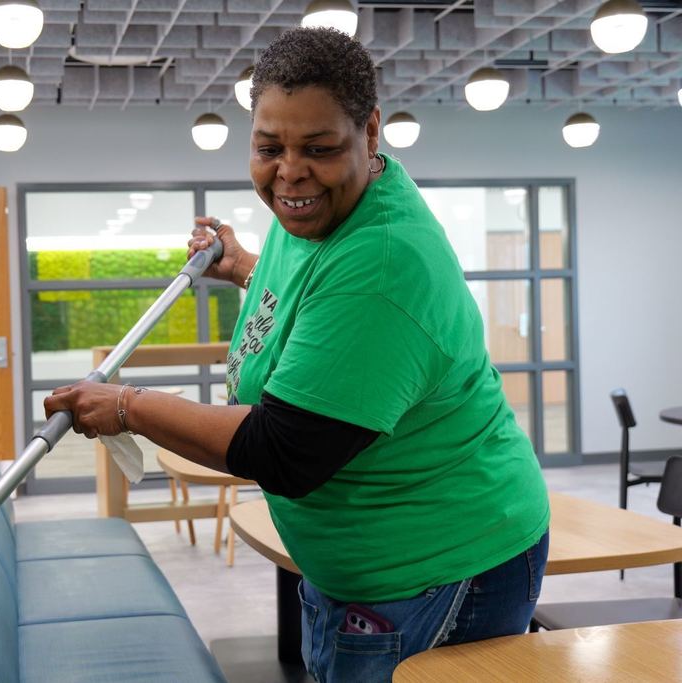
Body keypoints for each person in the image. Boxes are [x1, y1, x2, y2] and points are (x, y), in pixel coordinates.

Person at [44, 26, 549, 682]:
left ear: (370, 134)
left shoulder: (385, 263)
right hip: (362, 564)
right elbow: (308, 295)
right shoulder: (311, 213)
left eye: (319, 148)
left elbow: (282, 449)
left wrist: (126, 405)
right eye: (267, 147)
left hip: (441, 567)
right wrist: (243, 266)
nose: (288, 173)